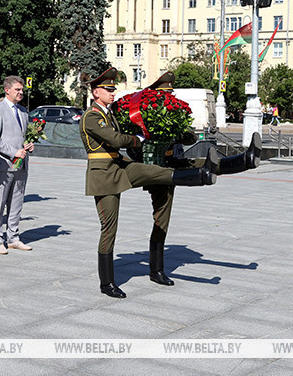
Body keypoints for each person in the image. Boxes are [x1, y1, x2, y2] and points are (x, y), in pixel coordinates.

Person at [80, 67, 218, 299]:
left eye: (114, 89)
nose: (113, 92)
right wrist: (140, 138)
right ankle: (107, 283)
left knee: (153, 172)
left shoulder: (110, 114)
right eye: (109, 89)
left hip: (120, 166)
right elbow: (115, 139)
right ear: (96, 92)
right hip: (103, 175)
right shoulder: (92, 116)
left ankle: (202, 175)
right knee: (109, 228)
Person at [139, 72, 260, 286]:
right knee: (161, 219)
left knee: (206, 162)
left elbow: (190, 137)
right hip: (154, 169)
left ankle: (245, 160)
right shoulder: (142, 115)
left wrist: (178, 131)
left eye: (170, 94)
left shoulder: (170, 114)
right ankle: (156, 270)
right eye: (164, 95)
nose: (168, 98)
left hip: (173, 161)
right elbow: (134, 143)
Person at [0, 76, 33, 255]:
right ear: (7, 90)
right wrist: (13, 152)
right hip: (4, 164)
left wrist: (29, 145)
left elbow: (24, 135)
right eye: (18, 90)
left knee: (17, 202)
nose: (21, 92)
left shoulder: (23, 111)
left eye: (22, 90)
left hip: (22, 164)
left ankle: (13, 237)